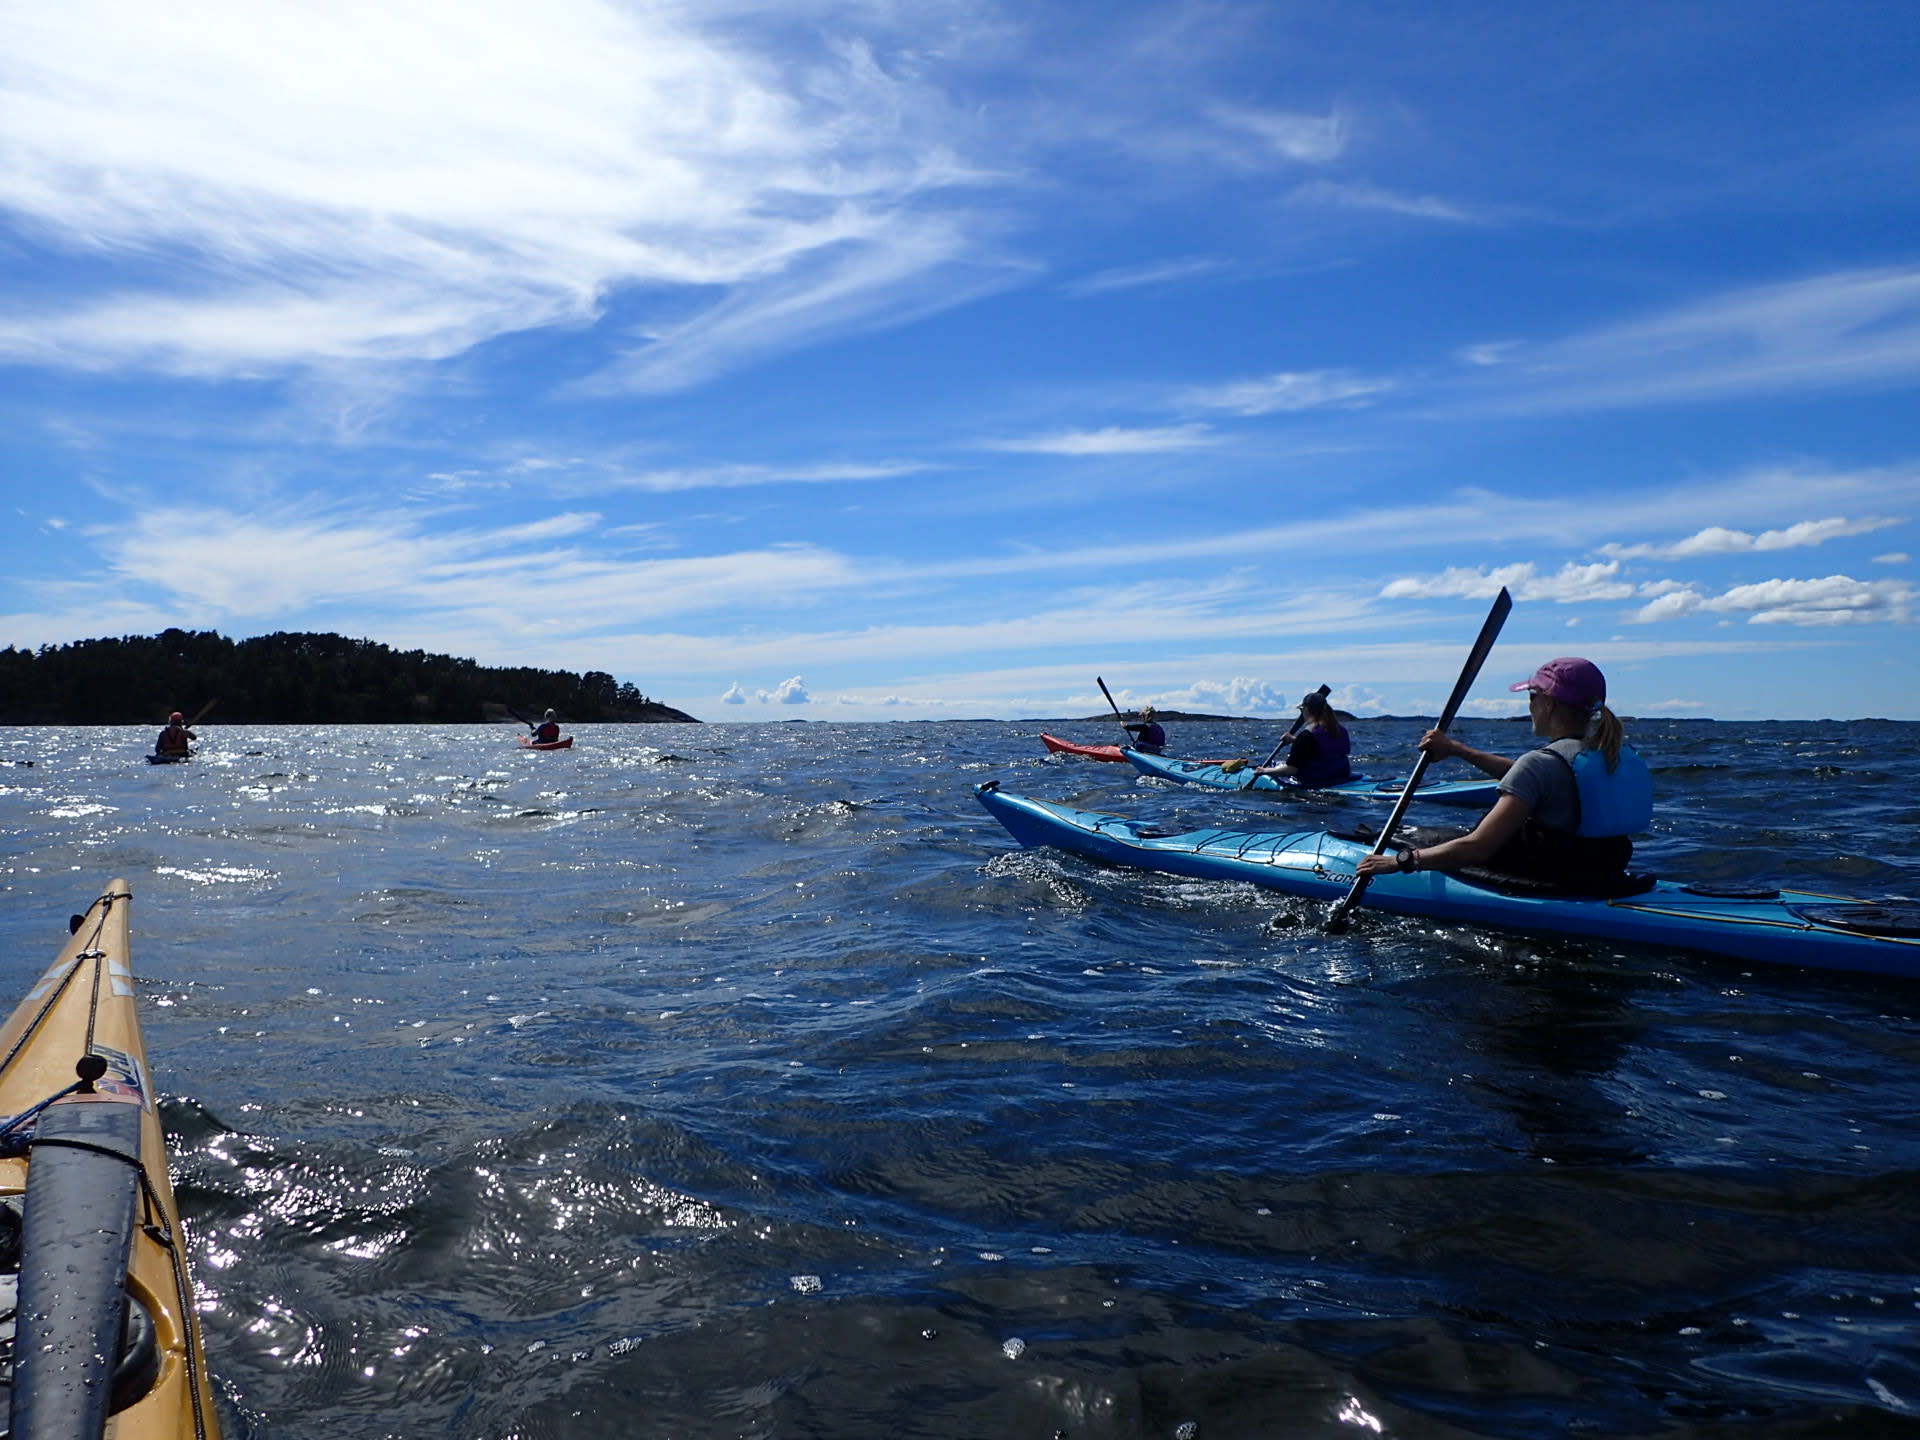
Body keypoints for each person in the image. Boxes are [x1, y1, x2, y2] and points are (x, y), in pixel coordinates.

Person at [1354, 657, 1652, 892]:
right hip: (1601, 871)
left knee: (1419, 839)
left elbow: (1477, 848)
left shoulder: (1541, 764)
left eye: (1532, 697)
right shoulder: (1608, 753)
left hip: (1549, 877)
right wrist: (1458, 749)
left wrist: (1399, 861)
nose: (1530, 706)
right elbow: (1532, 779)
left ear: (1548, 703)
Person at [1250, 690, 1353, 787]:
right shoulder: (1340, 730)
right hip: (1339, 775)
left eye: (1301, 710)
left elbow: (1290, 771)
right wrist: (1295, 740)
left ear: (1307, 710)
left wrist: (1264, 771)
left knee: (1274, 766)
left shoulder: (1306, 735)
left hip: (1316, 780)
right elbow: (1324, 748)